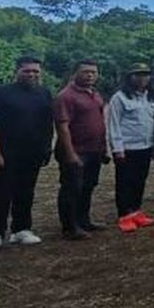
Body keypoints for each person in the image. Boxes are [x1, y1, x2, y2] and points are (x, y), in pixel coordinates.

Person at [0, 56, 54, 255]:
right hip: (4, 153)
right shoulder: (0, 93)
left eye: (35, 71)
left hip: (32, 153)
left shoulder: (44, 93)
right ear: (17, 71)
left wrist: (47, 148)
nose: (31, 74)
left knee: (26, 192)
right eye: (27, 71)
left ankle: (21, 229)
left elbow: (48, 123)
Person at [54, 60, 108, 239]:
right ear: (75, 73)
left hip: (94, 149)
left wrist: (103, 147)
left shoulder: (95, 94)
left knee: (88, 187)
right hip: (76, 150)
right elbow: (63, 126)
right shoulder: (66, 96)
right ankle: (70, 227)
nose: (90, 75)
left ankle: (84, 220)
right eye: (85, 72)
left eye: (94, 72)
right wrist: (70, 154)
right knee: (72, 189)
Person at [107, 63, 154, 233]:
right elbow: (114, 124)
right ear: (130, 77)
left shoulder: (149, 97)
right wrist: (117, 149)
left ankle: (136, 212)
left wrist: (153, 145)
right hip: (127, 148)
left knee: (140, 181)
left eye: (146, 75)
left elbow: (151, 122)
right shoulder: (120, 97)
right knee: (124, 183)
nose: (142, 78)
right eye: (138, 75)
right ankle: (124, 216)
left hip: (145, 146)